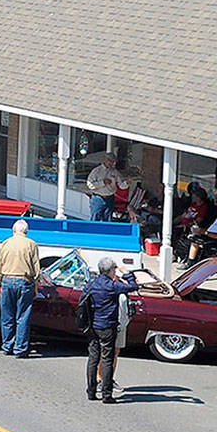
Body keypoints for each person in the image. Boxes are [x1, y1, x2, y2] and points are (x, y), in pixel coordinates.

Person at [82, 257, 140, 403]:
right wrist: (126, 273)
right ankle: (107, 394)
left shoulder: (92, 284)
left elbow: (83, 298)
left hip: (93, 326)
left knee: (93, 358)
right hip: (107, 326)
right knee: (107, 359)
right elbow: (133, 286)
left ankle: (91, 391)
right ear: (110, 271)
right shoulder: (113, 286)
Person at [0, 219, 41, 358]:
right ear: (26, 231)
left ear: (14, 230)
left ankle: (7, 345)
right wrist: (36, 285)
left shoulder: (6, 243)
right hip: (24, 280)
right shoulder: (32, 244)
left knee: (7, 315)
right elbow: (36, 268)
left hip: (7, 279)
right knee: (23, 316)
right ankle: (20, 348)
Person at [86, 152, 119, 221]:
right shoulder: (97, 171)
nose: (111, 163)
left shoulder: (115, 172)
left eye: (113, 162)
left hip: (110, 198)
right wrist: (103, 182)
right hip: (98, 198)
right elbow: (90, 185)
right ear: (105, 160)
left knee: (108, 219)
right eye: (110, 161)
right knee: (95, 218)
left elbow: (121, 184)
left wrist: (126, 183)